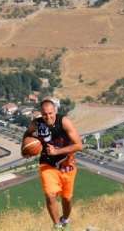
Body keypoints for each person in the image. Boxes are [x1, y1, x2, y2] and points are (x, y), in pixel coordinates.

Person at [23, 98, 83, 230]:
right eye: (44, 114)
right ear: (41, 113)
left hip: (67, 165)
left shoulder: (64, 122)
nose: (48, 116)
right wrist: (25, 149)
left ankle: (65, 219)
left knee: (67, 199)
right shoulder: (36, 123)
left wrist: (57, 151)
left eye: (50, 113)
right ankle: (57, 225)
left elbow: (79, 145)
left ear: (55, 111)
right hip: (47, 164)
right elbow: (27, 134)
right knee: (50, 196)